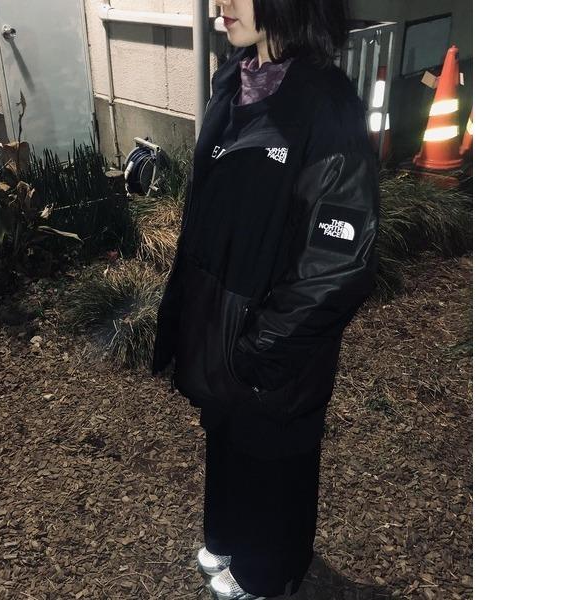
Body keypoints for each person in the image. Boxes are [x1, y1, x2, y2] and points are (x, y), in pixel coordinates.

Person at [151, 0, 380, 597]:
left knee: (275, 458)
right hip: (220, 324)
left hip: (274, 342)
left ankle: (267, 576)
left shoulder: (326, 106)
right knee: (227, 440)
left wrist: (262, 346)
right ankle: (227, 540)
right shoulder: (234, 78)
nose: (221, 3)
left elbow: (337, 258)